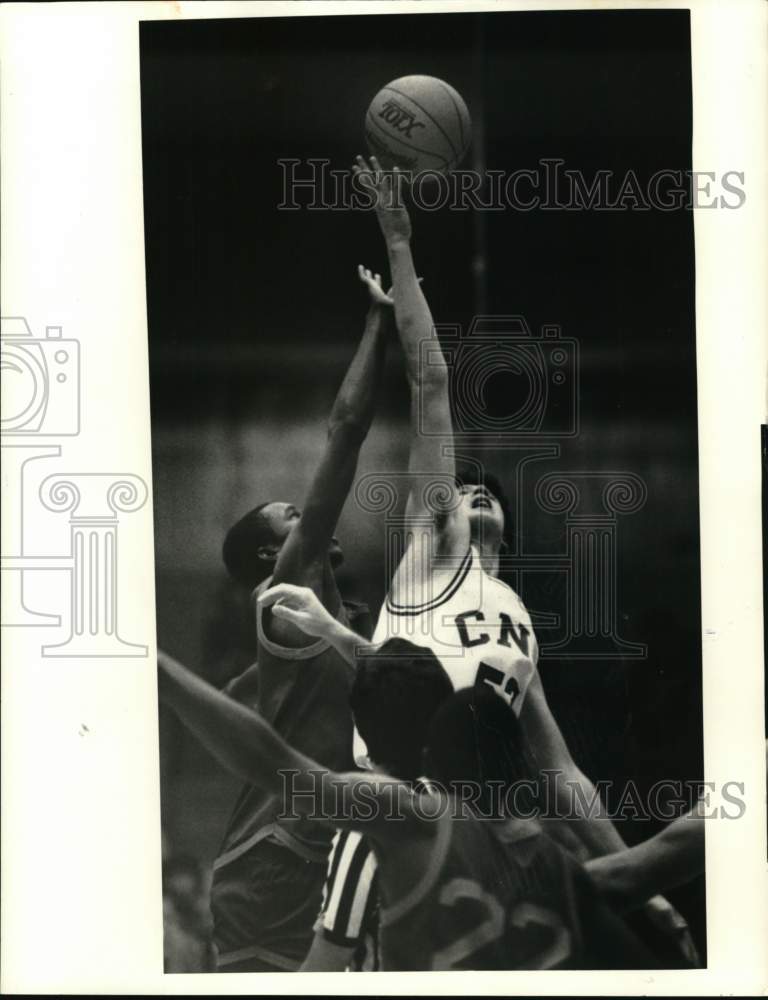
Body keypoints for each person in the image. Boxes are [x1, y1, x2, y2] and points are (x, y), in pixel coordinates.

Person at [348, 155, 696, 961]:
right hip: (402, 809)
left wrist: (630, 878)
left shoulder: (517, 627)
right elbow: (432, 384)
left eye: (485, 491)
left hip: (492, 831)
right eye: (458, 489)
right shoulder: (432, 561)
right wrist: (399, 242)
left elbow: (563, 775)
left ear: (506, 517)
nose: (469, 494)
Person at [158, 627, 658, 971]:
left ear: (361, 730)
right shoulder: (533, 841)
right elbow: (640, 872)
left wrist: (158, 669)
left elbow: (274, 764)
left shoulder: (382, 826)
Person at [186, 265, 391, 972]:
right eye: (295, 516)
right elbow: (345, 430)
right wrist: (378, 321)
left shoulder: (322, 620)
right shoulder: (290, 587)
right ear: (276, 552)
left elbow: (250, 698)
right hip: (276, 854)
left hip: (311, 845)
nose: (311, 515)